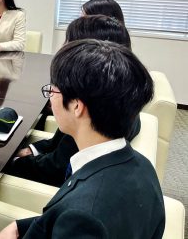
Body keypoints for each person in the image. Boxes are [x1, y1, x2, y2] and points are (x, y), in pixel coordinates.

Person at [0, 39, 164, 238]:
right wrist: (18, 227)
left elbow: (77, 216)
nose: (50, 95)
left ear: (77, 106)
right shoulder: (142, 166)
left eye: (53, 89)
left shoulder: (84, 217)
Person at [7, 15, 136, 187]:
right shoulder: (111, 103)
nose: (63, 47)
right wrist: (33, 149)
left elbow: (56, 167)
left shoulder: (89, 119)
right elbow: (60, 144)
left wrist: (11, 162)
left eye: (69, 41)